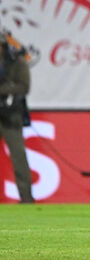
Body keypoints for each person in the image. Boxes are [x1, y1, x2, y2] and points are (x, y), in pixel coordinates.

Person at [0, 29, 33, 203]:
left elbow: (24, 87)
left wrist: (4, 91)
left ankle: (26, 197)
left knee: (18, 155)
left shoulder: (17, 62)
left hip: (11, 114)